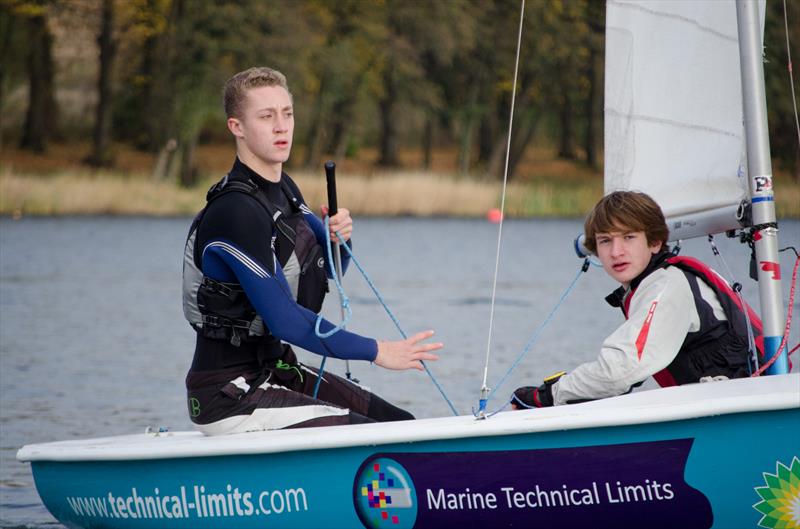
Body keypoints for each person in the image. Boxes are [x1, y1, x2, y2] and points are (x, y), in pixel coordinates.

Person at [181, 67, 442, 434]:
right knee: (369, 434)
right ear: (236, 127)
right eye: (266, 116)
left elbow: (333, 270)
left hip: (278, 371)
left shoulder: (284, 190)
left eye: (287, 114)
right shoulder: (235, 212)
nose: (281, 126)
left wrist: (341, 240)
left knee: (399, 424)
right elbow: (285, 321)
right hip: (228, 395)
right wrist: (379, 350)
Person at [512, 191, 762, 408]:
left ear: (654, 242)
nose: (616, 252)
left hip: (743, 412)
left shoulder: (667, 286)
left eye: (628, 237)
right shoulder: (656, 281)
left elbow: (620, 372)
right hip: (725, 405)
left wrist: (546, 395)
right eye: (605, 241)